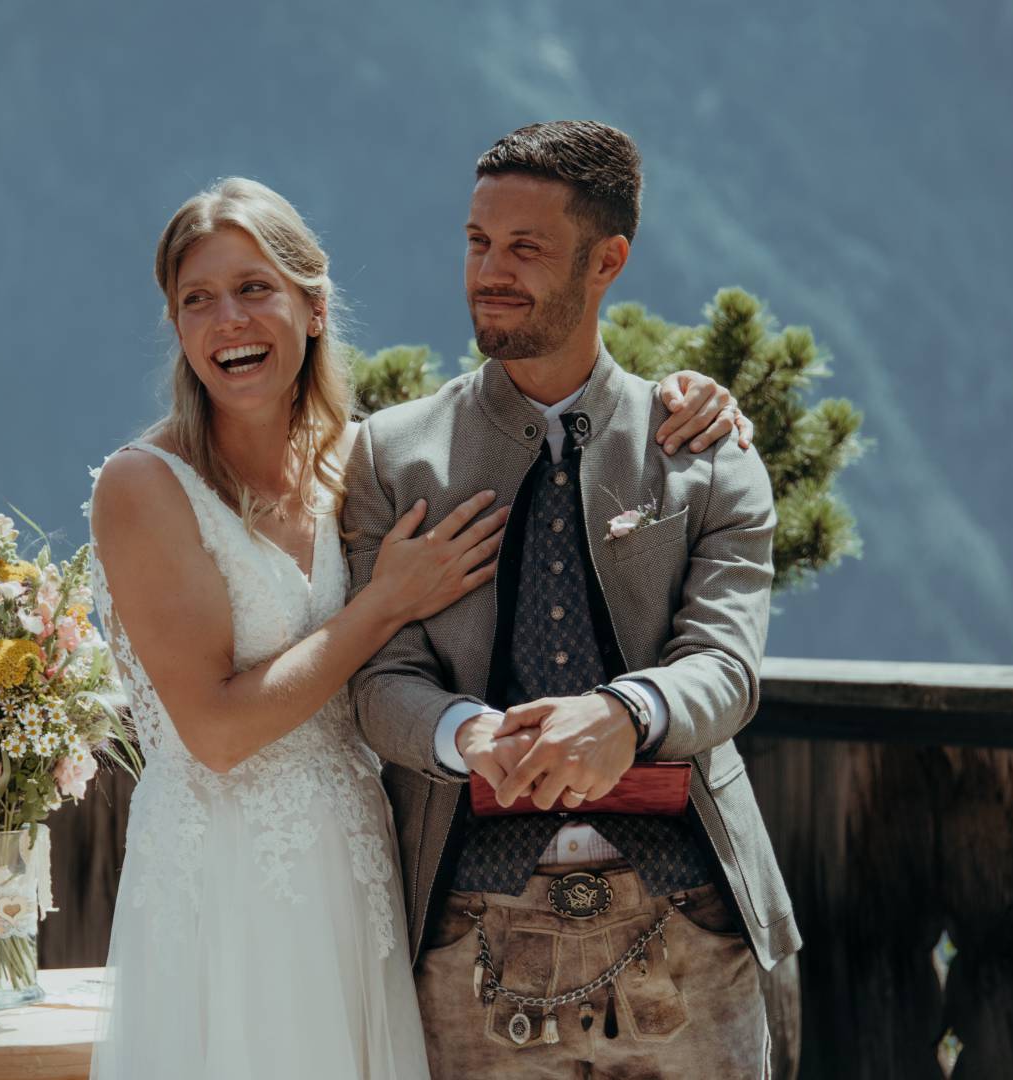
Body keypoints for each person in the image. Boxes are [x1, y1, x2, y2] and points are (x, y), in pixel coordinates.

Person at [88, 175, 751, 1078]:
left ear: (312, 307)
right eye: (195, 300)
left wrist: (694, 396)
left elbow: (724, 654)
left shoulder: (352, 460)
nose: (227, 321)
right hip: (229, 873)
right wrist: (387, 606)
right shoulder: (142, 486)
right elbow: (213, 730)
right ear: (174, 326)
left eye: (253, 289)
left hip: (365, 867)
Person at [344, 120, 793, 1079]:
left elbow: (727, 667)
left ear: (608, 260)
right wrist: (466, 734)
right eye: (477, 242)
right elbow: (377, 677)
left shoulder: (708, 451)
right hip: (469, 936)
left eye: (526, 249)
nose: (489, 272)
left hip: (694, 930)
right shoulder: (389, 455)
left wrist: (624, 715)